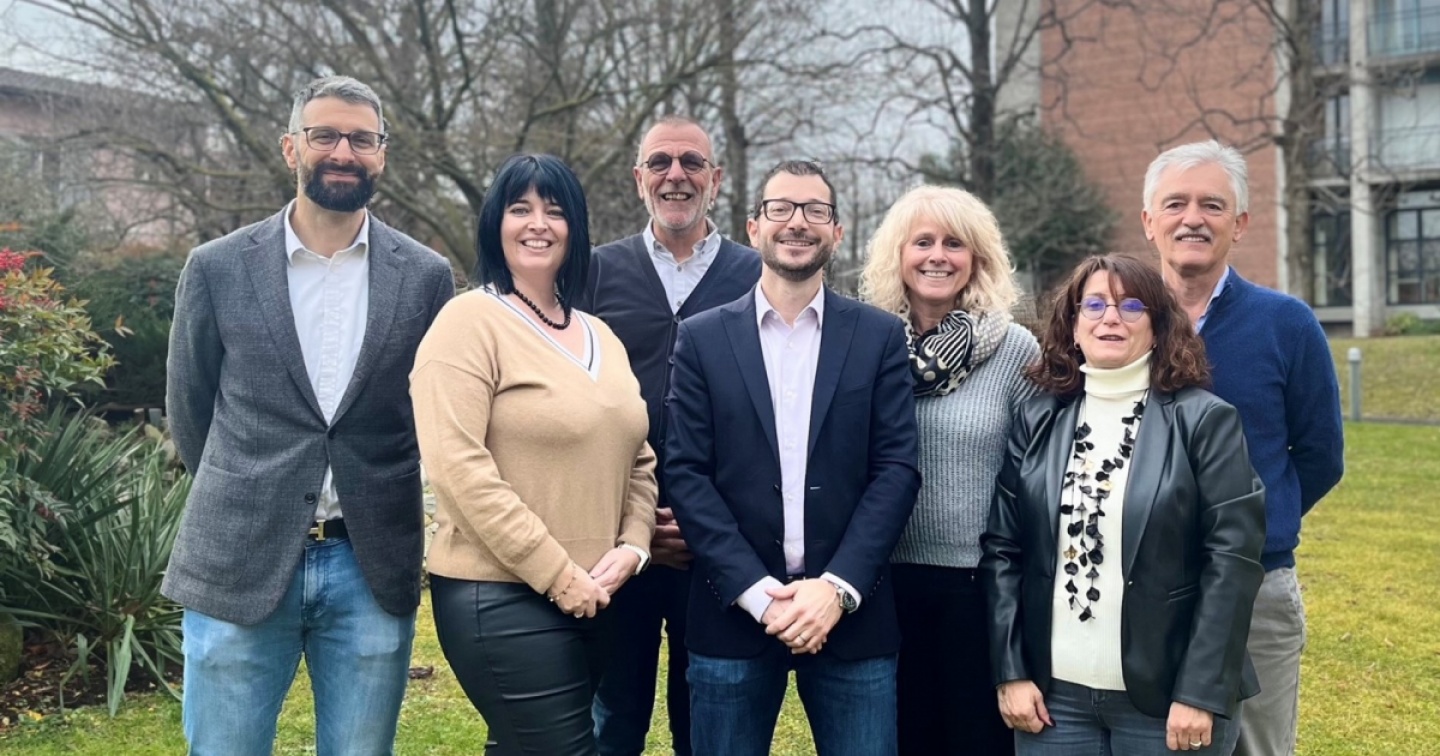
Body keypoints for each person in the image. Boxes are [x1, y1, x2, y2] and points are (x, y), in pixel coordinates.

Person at [164, 75, 456, 754]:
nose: (343, 152)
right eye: (325, 135)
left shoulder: (426, 277)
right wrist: (250, 488)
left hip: (368, 562)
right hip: (239, 555)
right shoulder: (216, 267)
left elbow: (434, 413)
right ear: (291, 147)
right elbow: (190, 408)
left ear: (382, 154)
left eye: (361, 139)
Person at [665, 159, 921, 756]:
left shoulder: (879, 337)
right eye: (780, 208)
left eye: (815, 210)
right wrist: (757, 593)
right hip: (732, 613)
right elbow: (686, 472)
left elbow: (896, 469)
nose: (797, 222)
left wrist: (837, 588)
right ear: (754, 227)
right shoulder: (702, 338)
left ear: (837, 231)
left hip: (851, 614)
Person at [411, 153, 658, 756]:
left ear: (576, 227)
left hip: (598, 595)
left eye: (555, 210)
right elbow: (458, 467)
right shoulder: (468, 322)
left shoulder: (601, 335)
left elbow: (640, 458)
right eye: (520, 209)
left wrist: (633, 546)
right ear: (495, 224)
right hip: (502, 595)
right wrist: (556, 574)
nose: (538, 224)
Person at [980, 254, 1266, 754]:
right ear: (1073, 325)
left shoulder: (1205, 421)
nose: (1110, 317)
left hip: (1167, 701)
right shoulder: (1037, 418)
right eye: (1094, 305)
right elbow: (1004, 551)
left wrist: (1199, 692)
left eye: (1131, 306)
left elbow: (1232, 562)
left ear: (1158, 328)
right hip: (1053, 702)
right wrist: (1012, 671)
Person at [1142, 141, 1345, 756]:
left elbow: (1320, 455)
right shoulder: (1119, 322)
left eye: (1212, 205)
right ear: (1149, 221)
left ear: (1241, 223)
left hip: (1257, 590)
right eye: (1175, 204)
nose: (1193, 219)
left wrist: (1258, 522)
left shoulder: (1287, 324)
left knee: (1256, 746)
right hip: (1140, 586)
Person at [575, 115, 761, 756]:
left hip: (720, 546)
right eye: (659, 162)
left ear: (716, 178)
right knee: (614, 720)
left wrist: (703, 522)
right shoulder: (593, 274)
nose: (675, 175)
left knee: (705, 722)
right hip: (611, 543)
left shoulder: (758, 277)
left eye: (691, 162)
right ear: (638, 178)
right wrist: (633, 527)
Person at [858, 185, 1038, 756]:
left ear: (977, 258)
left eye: (954, 243)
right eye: (923, 242)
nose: (937, 256)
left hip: (980, 590)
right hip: (881, 584)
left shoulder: (1015, 350)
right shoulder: (865, 344)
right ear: (898, 254)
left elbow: (1035, 476)